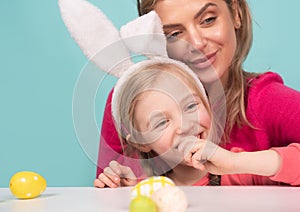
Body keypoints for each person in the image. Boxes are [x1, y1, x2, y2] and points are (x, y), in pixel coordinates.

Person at [95, 0, 300, 187]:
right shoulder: (128, 103)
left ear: (236, 12)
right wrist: (119, 190)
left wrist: (236, 163)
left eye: (208, 20)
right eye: (173, 34)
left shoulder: (267, 101)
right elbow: (109, 194)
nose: (196, 43)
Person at [95, 57, 300, 188]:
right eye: (161, 123)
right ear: (141, 142)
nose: (185, 126)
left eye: (191, 106)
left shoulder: (237, 170)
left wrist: (234, 163)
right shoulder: (141, 186)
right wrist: (119, 195)